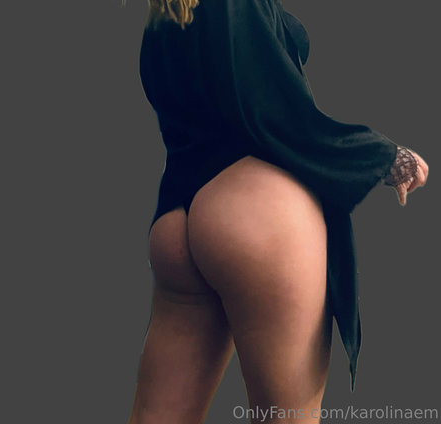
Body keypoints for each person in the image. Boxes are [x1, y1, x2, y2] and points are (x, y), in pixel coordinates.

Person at [127, 0, 429, 423]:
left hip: (177, 220)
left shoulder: (165, 12)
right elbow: (274, 106)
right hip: (256, 208)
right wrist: (379, 156)